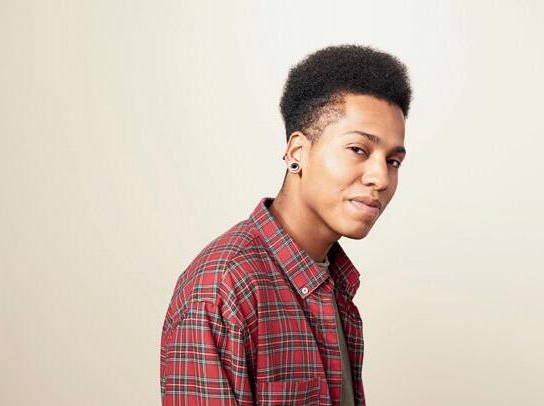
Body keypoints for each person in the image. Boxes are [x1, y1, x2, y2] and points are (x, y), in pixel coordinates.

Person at [160, 44, 412, 406]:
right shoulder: (222, 288)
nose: (381, 178)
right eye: (358, 150)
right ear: (297, 153)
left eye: (393, 161)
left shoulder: (333, 281)